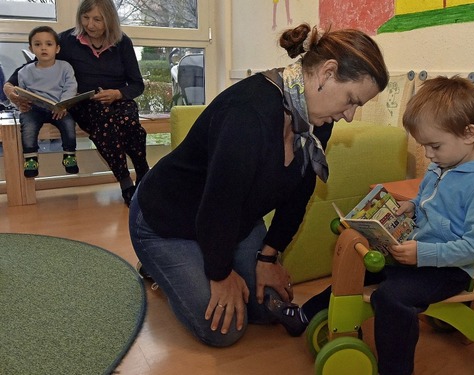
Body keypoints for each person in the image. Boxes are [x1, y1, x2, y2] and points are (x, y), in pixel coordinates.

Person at [128, 23, 389, 348]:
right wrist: (220, 274)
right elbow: (217, 205)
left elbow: (299, 195)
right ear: (327, 72)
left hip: (231, 219)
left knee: (267, 309)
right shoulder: (247, 115)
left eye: (357, 106)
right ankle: (159, 265)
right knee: (223, 330)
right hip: (167, 220)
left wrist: (268, 258)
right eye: (351, 100)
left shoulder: (315, 120)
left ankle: (197, 263)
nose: (349, 116)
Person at [279, 76, 474, 375]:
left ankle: (396, 369)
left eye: (435, 145)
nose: (428, 155)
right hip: (418, 256)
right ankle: (306, 314)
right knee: (356, 268)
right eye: (424, 145)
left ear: (469, 134)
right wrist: (411, 206)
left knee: (389, 296)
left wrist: (422, 254)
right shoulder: (442, 166)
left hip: (449, 270)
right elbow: (430, 201)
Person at [3, 0, 148, 205]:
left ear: (110, 20)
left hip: (117, 99)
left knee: (130, 121)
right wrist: (9, 89)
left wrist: (117, 93)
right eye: (85, 18)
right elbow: (32, 66)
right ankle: (126, 183)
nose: (90, 25)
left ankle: (143, 173)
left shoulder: (122, 42)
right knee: (104, 124)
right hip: (84, 103)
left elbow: (137, 85)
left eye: (97, 19)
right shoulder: (67, 41)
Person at [16, 26, 79, 178]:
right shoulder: (24, 71)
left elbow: (71, 87)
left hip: (58, 108)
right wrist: (21, 102)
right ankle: (31, 159)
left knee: (69, 123)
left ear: (57, 49)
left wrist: (63, 105)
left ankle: (69, 156)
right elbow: (21, 93)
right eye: (38, 44)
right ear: (31, 48)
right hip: (34, 109)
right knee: (28, 126)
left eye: (48, 44)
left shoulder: (65, 67)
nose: (43, 48)